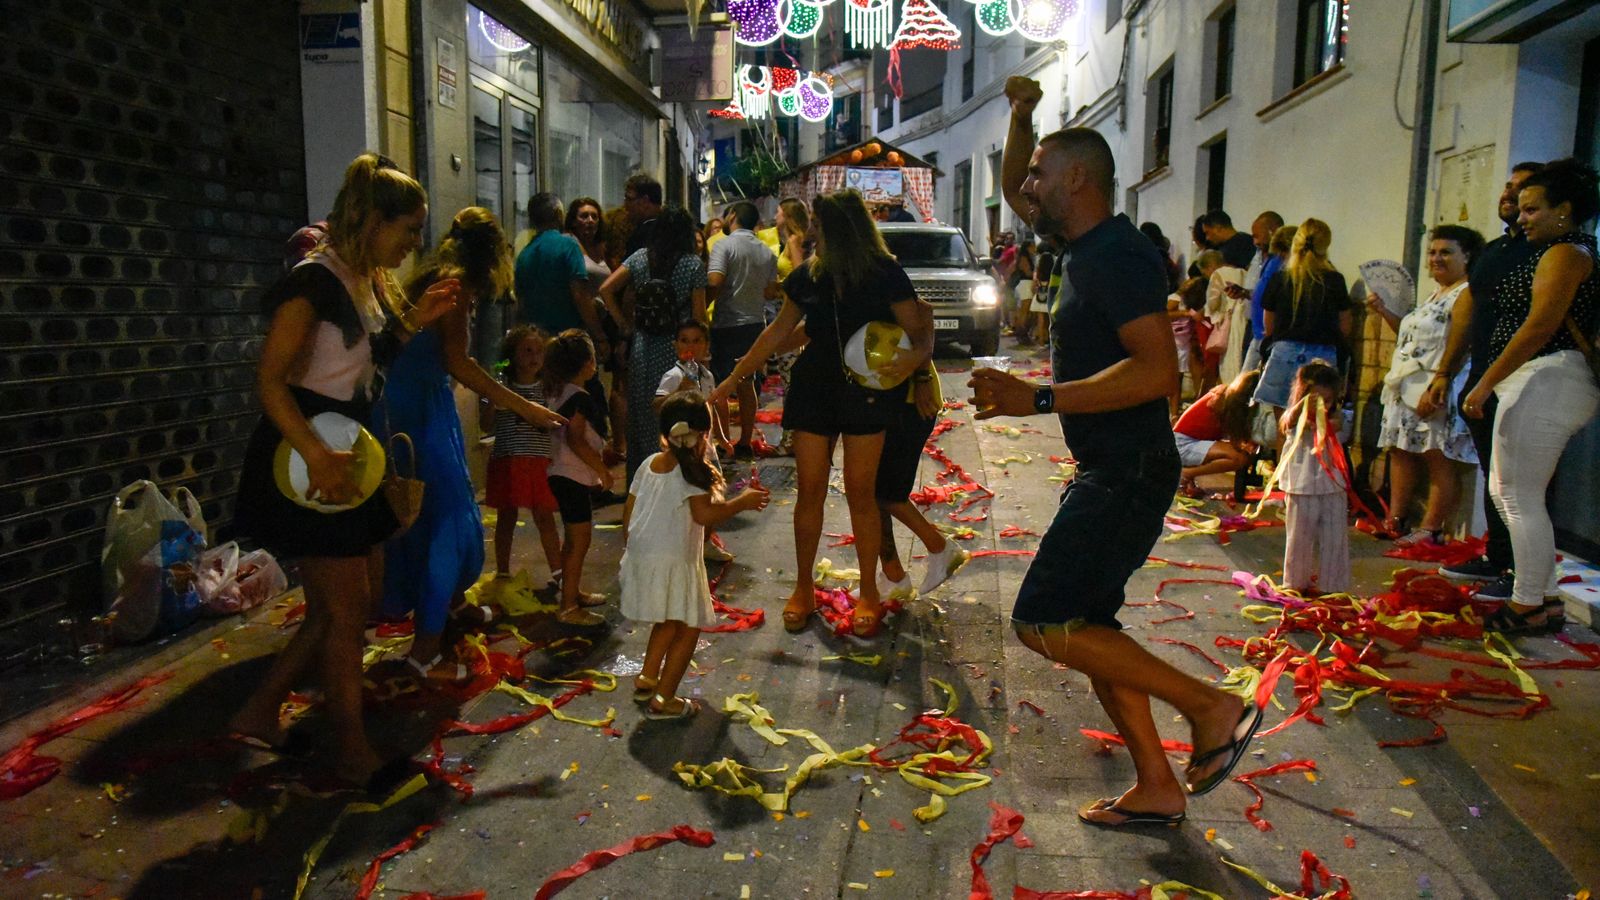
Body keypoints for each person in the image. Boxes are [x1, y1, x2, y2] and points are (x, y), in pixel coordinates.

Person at [987, 77, 1259, 824]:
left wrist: (1035, 399)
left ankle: (1212, 709)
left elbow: (1154, 374)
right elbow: (1014, 183)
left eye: (1042, 171)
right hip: (1110, 468)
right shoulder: (1082, 243)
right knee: (1091, 629)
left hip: (1127, 471)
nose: (1027, 187)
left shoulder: (1114, 255)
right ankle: (1158, 785)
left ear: (1077, 179)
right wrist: (1020, 119)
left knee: (1044, 620)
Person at [229, 153, 459, 791]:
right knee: (345, 610)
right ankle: (351, 751)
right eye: (408, 229)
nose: (416, 242)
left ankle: (258, 712)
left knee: (340, 610)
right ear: (372, 219)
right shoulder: (315, 281)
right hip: (307, 455)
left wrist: (416, 318)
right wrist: (313, 452)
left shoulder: (362, 279)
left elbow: (365, 365)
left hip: (339, 447)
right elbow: (271, 382)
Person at [711, 190, 933, 638]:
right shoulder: (809, 276)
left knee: (860, 492)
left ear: (836, 228)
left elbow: (919, 328)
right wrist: (733, 380)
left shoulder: (884, 273)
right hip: (816, 386)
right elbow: (778, 333)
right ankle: (803, 588)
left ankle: (868, 591)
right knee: (810, 489)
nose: (809, 231)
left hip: (868, 390)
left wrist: (915, 363)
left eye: (816, 223)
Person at [375, 207, 566, 682]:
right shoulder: (456, 286)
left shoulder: (435, 277)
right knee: (445, 518)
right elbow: (459, 362)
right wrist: (524, 407)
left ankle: (452, 605)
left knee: (434, 510)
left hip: (410, 402)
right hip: (421, 408)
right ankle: (425, 648)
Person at [1459, 159, 1600, 635]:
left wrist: (1483, 383)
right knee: (1512, 495)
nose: (1522, 218)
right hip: (1544, 380)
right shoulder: (1567, 251)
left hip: (1548, 378)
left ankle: (1527, 605)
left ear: (1564, 209)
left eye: (1532, 209)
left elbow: (1539, 328)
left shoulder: (1566, 254)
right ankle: (1546, 599)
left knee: (1517, 498)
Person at [1428, 162, 1544, 600]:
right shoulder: (1496, 250)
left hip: (1525, 377)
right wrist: (1447, 370)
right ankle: (1498, 556)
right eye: (1509, 186)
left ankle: (1526, 576)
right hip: (1483, 374)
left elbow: (1539, 321)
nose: (1511, 194)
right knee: (1497, 478)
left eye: (1525, 190)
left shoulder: (1551, 251)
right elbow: (1468, 310)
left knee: (1523, 483)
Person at [622, 392, 771, 718]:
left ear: (666, 434)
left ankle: (647, 677)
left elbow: (629, 510)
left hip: (644, 554)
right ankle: (664, 700)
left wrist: (633, 549)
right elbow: (705, 516)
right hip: (675, 560)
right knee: (688, 625)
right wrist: (742, 502)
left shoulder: (649, 464)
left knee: (666, 619)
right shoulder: (695, 474)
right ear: (704, 435)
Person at [1369, 225, 1484, 546]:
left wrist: (1440, 383)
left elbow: (1460, 344)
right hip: (1406, 386)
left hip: (1436, 387)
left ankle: (1431, 529)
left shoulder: (1466, 293)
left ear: (1467, 256)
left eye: (1446, 252)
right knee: (1402, 451)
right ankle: (1396, 518)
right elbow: (1412, 340)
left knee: (1437, 456)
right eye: (1432, 252)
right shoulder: (1436, 292)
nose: (1436, 258)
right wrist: (1384, 312)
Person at [600, 206, 708, 485]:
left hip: (644, 346)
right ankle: (674, 479)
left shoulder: (639, 258)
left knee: (641, 415)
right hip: (678, 348)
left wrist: (625, 325)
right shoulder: (692, 265)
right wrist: (701, 351)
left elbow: (606, 290)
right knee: (676, 411)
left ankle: (639, 484)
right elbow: (698, 315)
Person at [874, 310, 971, 601]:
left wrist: (922, 375)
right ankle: (893, 576)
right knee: (873, 492)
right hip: (883, 398)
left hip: (908, 400)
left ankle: (939, 547)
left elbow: (922, 313)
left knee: (885, 493)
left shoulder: (879, 269)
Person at [486, 325, 565, 591]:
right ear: (513, 355)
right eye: (527, 351)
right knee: (506, 515)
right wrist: (490, 399)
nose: (534, 357)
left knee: (544, 516)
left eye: (539, 351)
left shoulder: (548, 389)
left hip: (538, 459)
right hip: (508, 457)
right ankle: (503, 571)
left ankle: (559, 572)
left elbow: (556, 422)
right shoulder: (503, 388)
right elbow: (487, 425)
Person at [543, 329, 613, 627]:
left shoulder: (555, 392)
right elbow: (576, 438)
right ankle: (569, 606)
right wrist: (602, 470)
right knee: (579, 540)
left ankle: (571, 591)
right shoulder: (580, 397)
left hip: (557, 472)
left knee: (572, 538)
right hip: (571, 475)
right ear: (588, 364)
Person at [1253, 218, 1351, 413]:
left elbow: (1269, 324)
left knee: (1283, 423)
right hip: (1323, 357)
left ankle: (1284, 446)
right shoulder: (1335, 280)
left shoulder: (1281, 278)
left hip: (1285, 351)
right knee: (1318, 422)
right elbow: (1345, 325)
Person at [708, 201, 780, 461]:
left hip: (726, 323)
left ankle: (724, 440)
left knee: (721, 384)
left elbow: (714, 281)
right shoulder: (767, 252)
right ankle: (746, 441)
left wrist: (701, 308)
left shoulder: (723, 245)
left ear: (733, 216)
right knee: (747, 383)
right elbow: (771, 291)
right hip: (755, 325)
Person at [1278, 361, 1351, 594]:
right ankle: (1295, 583)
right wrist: (1301, 408)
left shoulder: (1339, 418)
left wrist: (1327, 422)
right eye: (1316, 399)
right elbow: (1285, 423)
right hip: (1301, 484)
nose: (1322, 405)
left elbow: (1341, 428)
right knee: (1299, 537)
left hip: (1332, 484)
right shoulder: (1294, 418)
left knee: (1335, 537)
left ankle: (1333, 585)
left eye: (1327, 401)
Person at [564, 196, 627, 462]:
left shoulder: (603, 249)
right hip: (585, 325)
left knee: (613, 383)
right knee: (588, 386)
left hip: (607, 324)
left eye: (593, 215)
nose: (589, 220)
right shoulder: (571, 246)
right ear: (573, 220)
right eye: (583, 215)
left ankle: (610, 444)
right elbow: (578, 291)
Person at [1174, 367, 1262, 495]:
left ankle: (1188, 475)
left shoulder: (1227, 395)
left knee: (1241, 454)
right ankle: (1186, 473)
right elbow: (1237, 442)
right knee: (1239, 458)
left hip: (1189, 442)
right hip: (1182, 445)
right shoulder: (1224, 400)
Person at [1241, 224, 1297, 372]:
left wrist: (1270, 332)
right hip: (1260, 332)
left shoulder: (1287, 268)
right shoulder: (1271, 260)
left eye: (1257, 236)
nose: (1255, 242)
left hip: (1271, 337)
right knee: (1244, 382)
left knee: (1247, 384)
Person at [622, 173, 664, 257]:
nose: (625, 205)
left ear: (645, 201)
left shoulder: (644, 235)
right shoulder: (669, 229)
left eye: (629, 199)